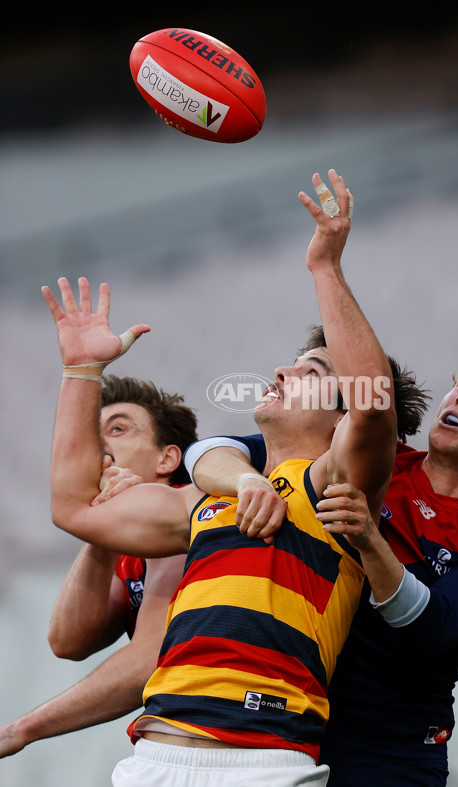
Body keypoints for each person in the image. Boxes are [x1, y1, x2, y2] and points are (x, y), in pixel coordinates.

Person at [42, 169, 399, 786]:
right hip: (152, 757)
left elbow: (373, 403)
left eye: (315, 369)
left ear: (342, 417)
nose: (286, 369)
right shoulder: (199, 506)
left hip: (264, 761)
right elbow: (76, 507)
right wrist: (82, 373)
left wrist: (324, 269)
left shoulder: (339, 488)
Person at [187, 341, 458, 785]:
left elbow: (433, 628)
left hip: (391, 756)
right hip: (296, 729)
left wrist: (371, 542)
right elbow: (212, 450)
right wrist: (245, 480)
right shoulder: (378, 461)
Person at [0, 375, 200, 758]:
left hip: (236, 742)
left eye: (119, 428)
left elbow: (151, 657)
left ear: (167, 459)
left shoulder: (190, 514)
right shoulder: (130, 550)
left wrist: (19, 730)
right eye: (95, 433)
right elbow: (68, 641)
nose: (99, 443)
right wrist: (102, 528)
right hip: (185, 740)